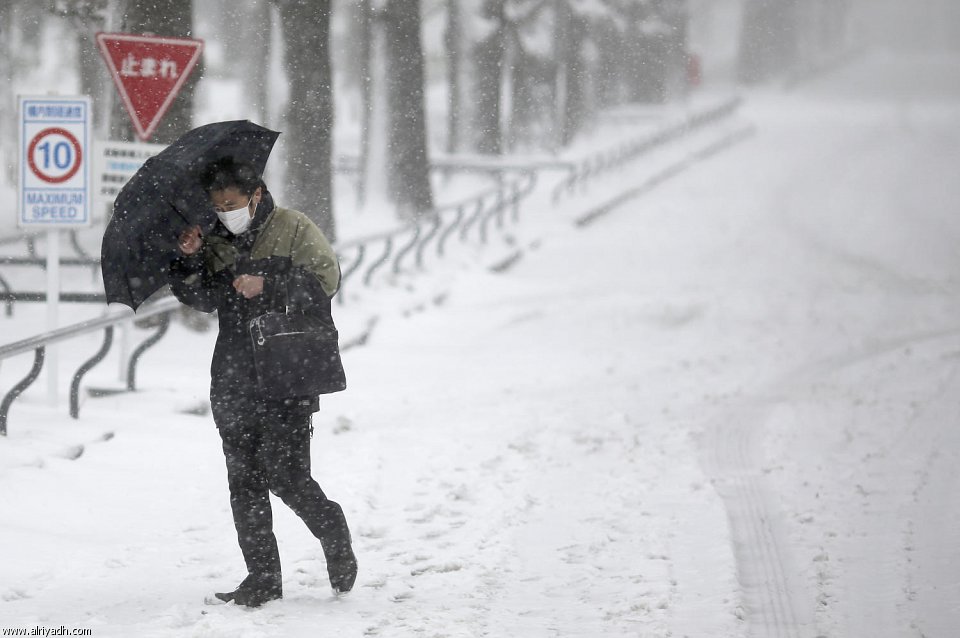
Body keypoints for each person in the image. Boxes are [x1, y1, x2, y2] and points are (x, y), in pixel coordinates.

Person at [169, 157, 357, 607]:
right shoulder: (214, 238)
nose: (224, 211)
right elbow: (201, 298)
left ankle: (333, 531)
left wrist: (267, 284)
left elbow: (325, 281)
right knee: (244, 483)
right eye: (217, 205)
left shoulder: (292, 227)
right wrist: (188, 259)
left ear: (254, 195)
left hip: (285, 374)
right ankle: (262, 577)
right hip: (233, 376)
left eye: (231, 203)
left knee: (287, 476)